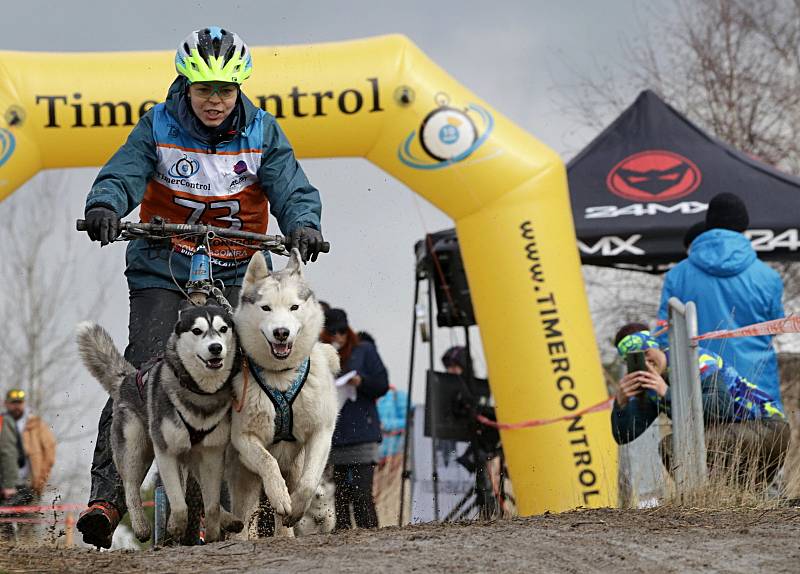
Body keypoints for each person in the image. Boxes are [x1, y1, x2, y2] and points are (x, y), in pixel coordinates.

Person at [78, 27, 325, 548]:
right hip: (160, 263)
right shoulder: (158, 125)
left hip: (234, 267)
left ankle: (240, 505)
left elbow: (290, 185)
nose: (214, 101)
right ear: (185, 85)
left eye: (225, 90)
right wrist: (105, 205)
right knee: (143, 366)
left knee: (244, 376)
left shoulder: (262, 131)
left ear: (239, 90)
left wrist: (303, 221)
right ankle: (107, 498)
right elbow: (124, 171)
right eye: (203, 89)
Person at [611, 323, 789, 487]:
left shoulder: (694, 359)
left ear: (656, 345)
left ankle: (709, 503)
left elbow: (720, 407)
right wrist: (620, 403)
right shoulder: (651, 386)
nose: (646, 362)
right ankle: (754, 496)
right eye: (635, 360)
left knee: (675, 445)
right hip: (732, 436)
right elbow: (625, 435)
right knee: (672, 446)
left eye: (646, 352)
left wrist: (666, 393)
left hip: (768, 428)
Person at [658, 193, 785, 411]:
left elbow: (664, 336)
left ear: (708, 224)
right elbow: (776, 326)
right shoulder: (768, 277)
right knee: (759, 445)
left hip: (700, 400)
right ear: (744, 226)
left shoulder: (677, 276)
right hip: (757, 397)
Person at [322, 308, 389, 530]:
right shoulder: (320, 354)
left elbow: (382, 385)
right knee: (339, 496)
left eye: (342, 331)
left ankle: (370, 534)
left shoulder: (364, 351)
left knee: (362, 493)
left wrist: (362, 382)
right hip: (335, 434)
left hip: (363, 432)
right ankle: (343, 538)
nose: (338, 337)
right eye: (333, 332)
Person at [0, 389, 56, 541]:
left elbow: (49, 453)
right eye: (13, 403)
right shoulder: (2, 422)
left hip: (30, 484)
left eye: (19, 403)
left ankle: (27, 559)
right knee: (4, 526)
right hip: (5, 485)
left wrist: (40, 480)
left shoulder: (36, 425)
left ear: (24, 404)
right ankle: (8, 560)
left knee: (28, 527)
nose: (16, 406)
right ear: (6, 404)